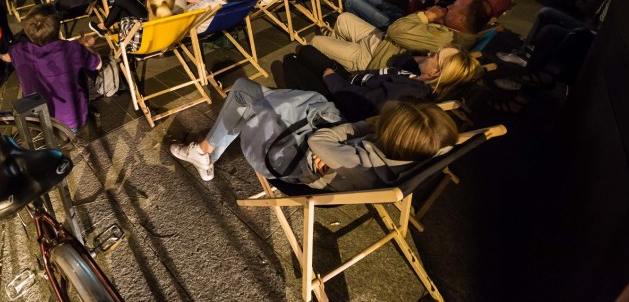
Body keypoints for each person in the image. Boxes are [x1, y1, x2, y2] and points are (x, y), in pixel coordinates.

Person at [170, 78, 458, 188]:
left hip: (291, 158)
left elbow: (318, 141)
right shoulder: (419, 153)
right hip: (313, 150)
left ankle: (204, 152)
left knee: (244, 92)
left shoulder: (358, 161)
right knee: (248, 97)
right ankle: (207, 150)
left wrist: (366, 125)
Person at [281, 44, 482, 121]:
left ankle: (299, 106)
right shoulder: (416, 76)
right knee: (306, 51)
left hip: (342, 100)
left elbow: (358, 103)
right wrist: (420, 62)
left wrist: (331, 78)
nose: (429, 54)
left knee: (290, 62)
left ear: (435, 72)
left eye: (435, 56)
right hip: (353, 81)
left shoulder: (406, 90)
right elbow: (399, 62)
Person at [310, 0, 492, 72]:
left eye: (454, 7)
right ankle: (339, 52)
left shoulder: (446, 40)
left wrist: (428, 16)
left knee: (317, 41)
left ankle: (343, 63)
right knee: (344, 18)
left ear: (461, 19)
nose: (449, 6)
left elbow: (396, 30)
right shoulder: (456, 32)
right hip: (384, 43)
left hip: (375, 58)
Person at [2, 5, 101, 133]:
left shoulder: (18, 51)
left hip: (38, 118)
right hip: (70, 120)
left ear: (27, 32)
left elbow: (6, 57)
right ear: (58, 28)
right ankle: (73, 136)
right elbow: (98, 64)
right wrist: (86, 46)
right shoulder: (72, 49)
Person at [89, 0, 177, 45]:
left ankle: (104, 26)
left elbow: (124, 39)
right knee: (122, 4)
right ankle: (104, 25)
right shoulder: (175, 20)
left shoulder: (136, 28)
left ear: (149, 4)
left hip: (140, 38)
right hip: (155, 38)